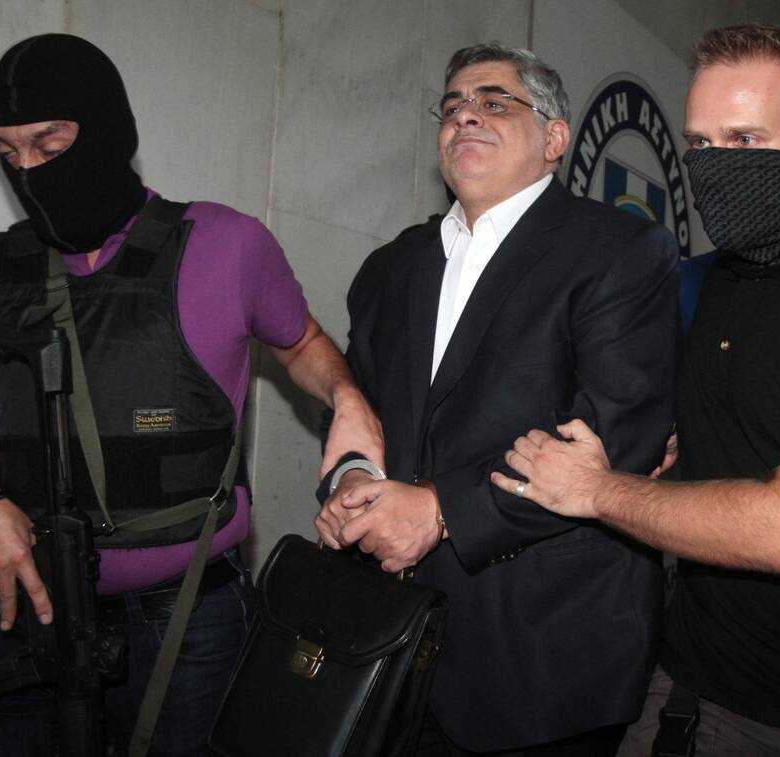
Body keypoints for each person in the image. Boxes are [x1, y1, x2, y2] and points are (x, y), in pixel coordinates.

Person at [495, 24, 780, 754]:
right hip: (695, 685)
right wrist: (674, 454)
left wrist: (599, 491)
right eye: (700, 143)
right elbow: (747, 430)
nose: (714, 167)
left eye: (744, 140)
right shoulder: (722, 280)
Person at [0, 34, 383, 755]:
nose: (30, 170)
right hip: (40, 614)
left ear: (107, 130)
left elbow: (301, 345)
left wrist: (348, 397)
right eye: (8, 152)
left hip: (191, 622)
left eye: (50, 143)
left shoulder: (228, 244)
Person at [314, 44, 677, 755]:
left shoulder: (621, 250)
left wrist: (440, 510)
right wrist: (353, 480)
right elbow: (356, 409)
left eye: (494, 101)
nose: (465, 116)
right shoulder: (391, 266)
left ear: (554, 138)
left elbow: (615, 438)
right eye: (452, 105)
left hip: (542, 652)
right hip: (389, 643)